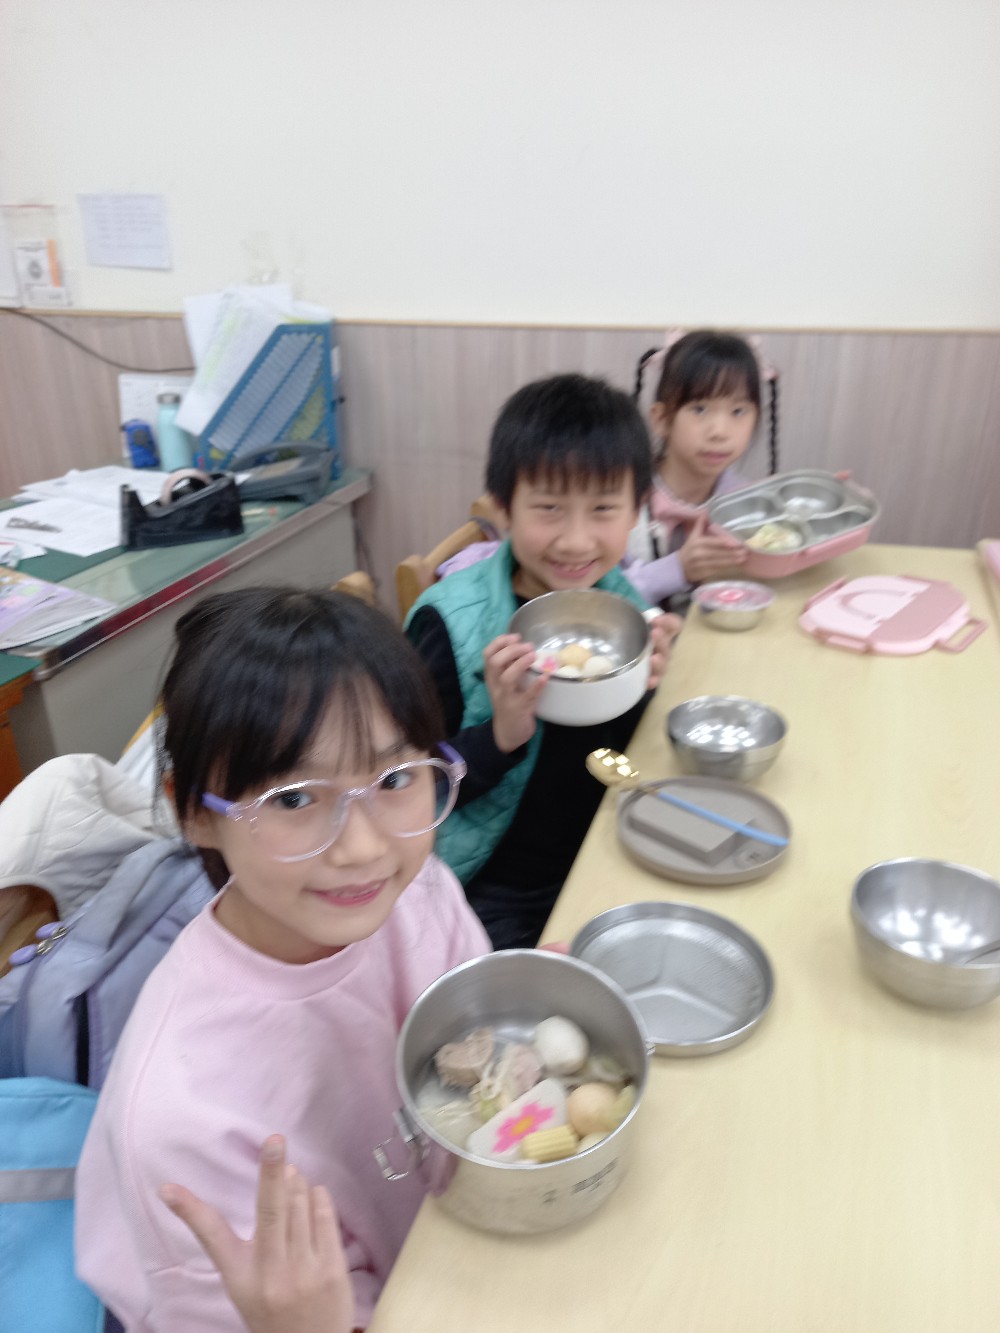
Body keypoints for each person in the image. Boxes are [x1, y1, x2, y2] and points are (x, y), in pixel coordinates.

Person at [75, 587, 491, 1331]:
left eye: (395, 779)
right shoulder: (180, 1118)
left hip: (460, 1245)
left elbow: (476, 1056)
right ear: (196, 812)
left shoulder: (415, 888)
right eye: (296, 799)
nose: (363, 847)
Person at [405, 373, 680, 951]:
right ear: (503, 506)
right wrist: (500, 735)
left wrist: (649, 684)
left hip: (603, 846)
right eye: (550, 508)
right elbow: (409, 791)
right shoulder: (450, 623)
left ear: (637, 511)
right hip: (487, 880)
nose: (576, 541)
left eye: (603, 508)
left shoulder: (622, 603)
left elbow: (618, 748)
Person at [627, 328, 779, 608]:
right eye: (699, 409)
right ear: (661, 419)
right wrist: (678, 569)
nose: (719, 432)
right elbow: (598, 598)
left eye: (738, 411)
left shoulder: (745, 502)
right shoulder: (623, 501)